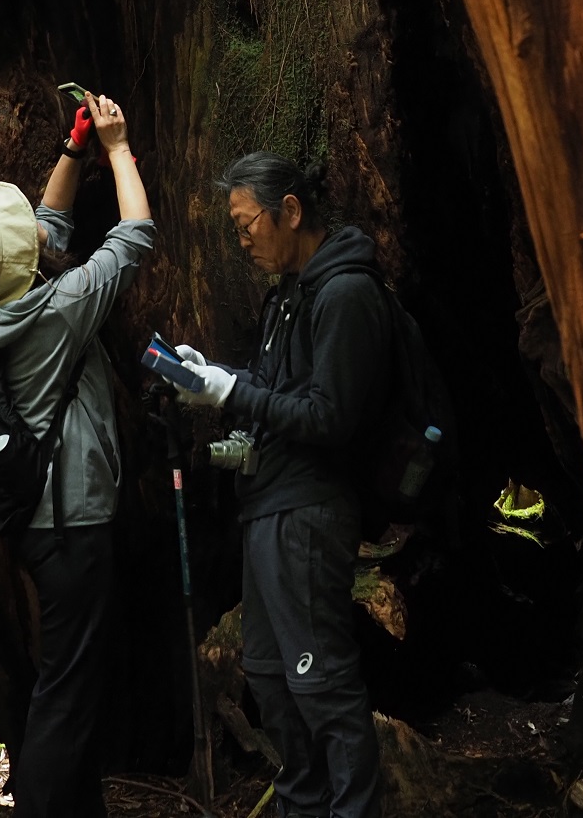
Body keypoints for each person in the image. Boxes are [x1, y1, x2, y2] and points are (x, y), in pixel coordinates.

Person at [0, 92, 152, 818]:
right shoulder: (56, 311)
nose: (34, 221)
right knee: (66, 691)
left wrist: (73, 147)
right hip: (73, 524)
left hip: (43, 526)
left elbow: (48, 225)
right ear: (19, 259)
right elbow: (135, 239)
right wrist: (118, 149)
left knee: (74, 682)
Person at [174, 153, 389, 818]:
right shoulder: (288, 298)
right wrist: (213, 386)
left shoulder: (345, 294)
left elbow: (331, 416)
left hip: (309, 512)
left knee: (320, 680)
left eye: (247, 226)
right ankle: (302, 806)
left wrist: (234, 393)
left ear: (290, 211)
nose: (243, 242)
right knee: (269, 676)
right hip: (268, 506)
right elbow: (277, 395)